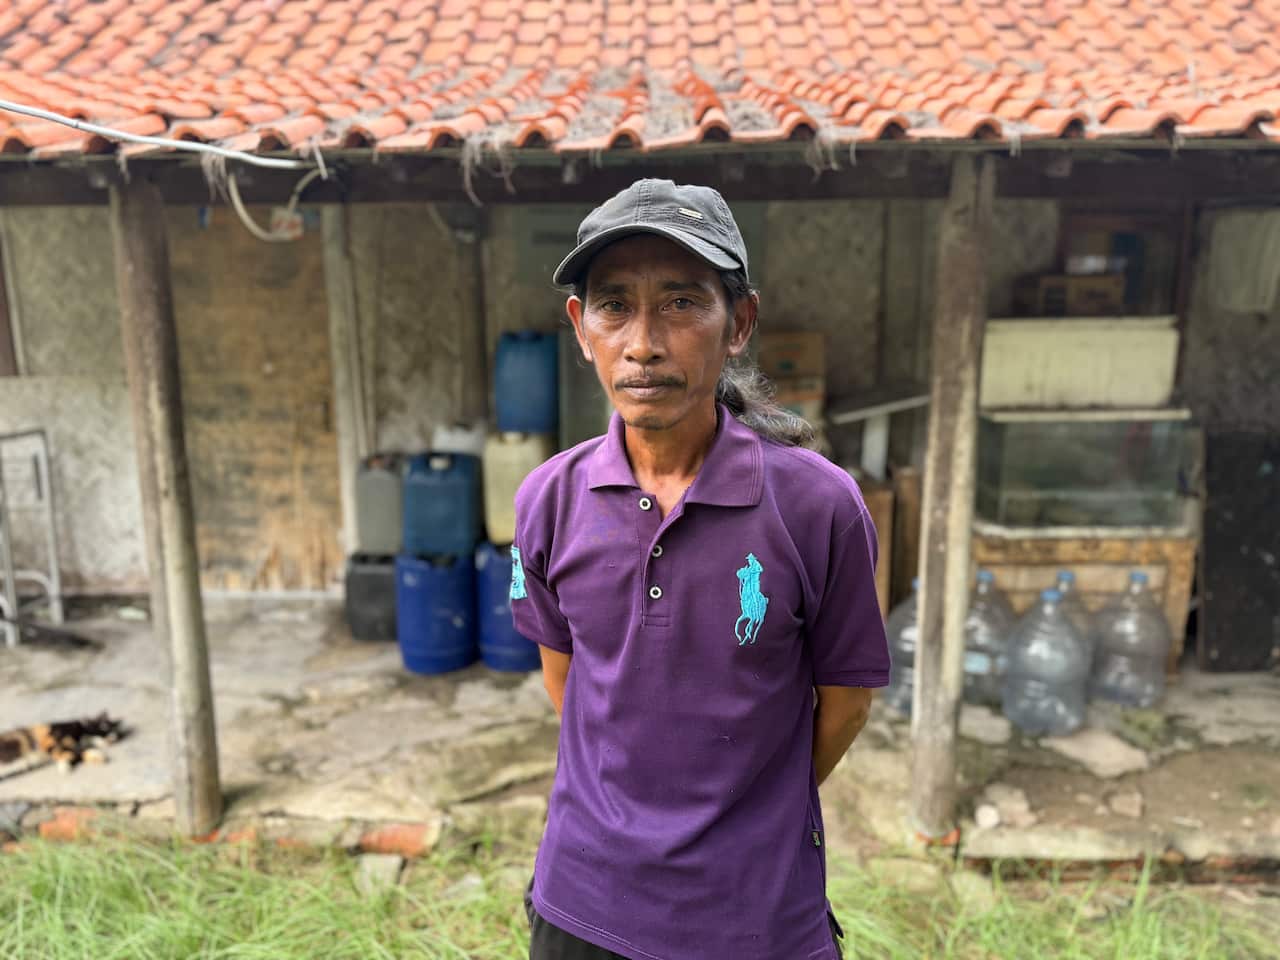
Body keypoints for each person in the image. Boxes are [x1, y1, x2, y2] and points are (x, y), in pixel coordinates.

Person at [511, 179, 890, 960]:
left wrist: (744, 812)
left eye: (682, 303)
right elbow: (568, 682)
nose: (643, 342)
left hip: (754, 916)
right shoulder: (548, 500)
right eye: (615, 305)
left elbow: (845, 705)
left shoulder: (820, 507)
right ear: (583, 329)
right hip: (584, 907)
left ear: (740, 322)